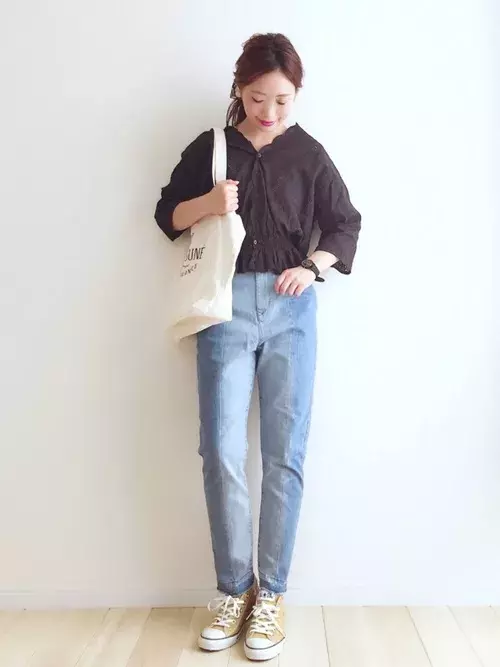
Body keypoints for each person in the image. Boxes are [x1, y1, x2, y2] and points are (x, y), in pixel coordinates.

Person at [155, 32, 361, 661]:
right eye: (256, 98)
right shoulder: (212, 148)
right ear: (239, 91)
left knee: (284, 454)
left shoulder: (309, 153)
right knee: (220, 451)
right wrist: (208, 202)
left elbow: (345, 223)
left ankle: (270, 594)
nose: (269, 112)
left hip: (291, 309)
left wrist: (313, 266)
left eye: (282, 100)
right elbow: (166, 215)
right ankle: (233, 588)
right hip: (223, 307)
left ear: (296, 96)